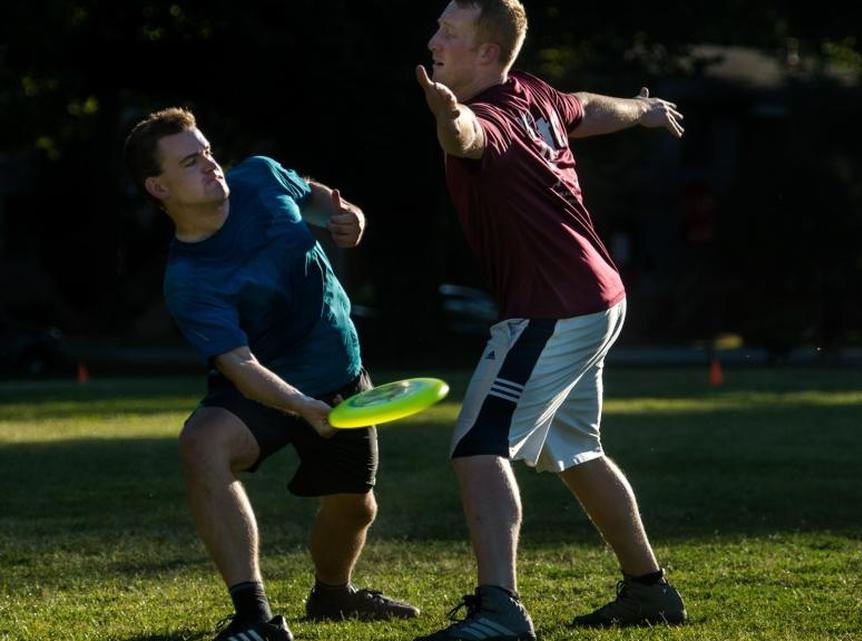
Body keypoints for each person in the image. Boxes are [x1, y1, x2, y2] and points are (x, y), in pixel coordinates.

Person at [413, 1, 686, 639]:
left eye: (448, 34)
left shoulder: (490, 117)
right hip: (596, 296)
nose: (432, 42)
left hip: (554, 306)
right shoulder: (535, 92)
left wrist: (450, 119)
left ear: (486, 54)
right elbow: (589, 106)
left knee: (479, 447)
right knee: (576, 448)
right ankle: (650, 591)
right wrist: (643, 110)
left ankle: (499, 611)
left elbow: (470, 139)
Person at [122, 108, 419, 641]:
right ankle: (253, 617)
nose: (211, 166)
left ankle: (333, 594)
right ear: (158, 186)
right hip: (261, 388)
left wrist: (349, 214)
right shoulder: (189, 279)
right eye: (191, 162)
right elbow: (239, 365)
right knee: (201, 443)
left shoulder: (258, 175)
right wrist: (302, 407)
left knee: (355, 509)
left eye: (208, 151)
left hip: (339, 375)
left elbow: (319, 194)